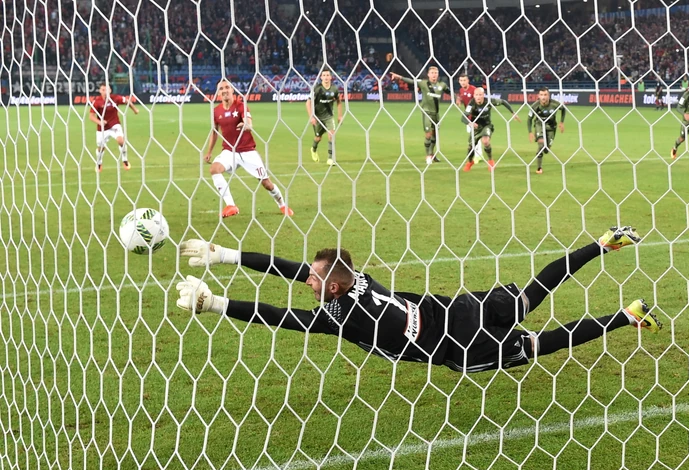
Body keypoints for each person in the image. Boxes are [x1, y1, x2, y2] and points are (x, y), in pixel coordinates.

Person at [175, 226, 662, 373]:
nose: (309, 281)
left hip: (460, 346)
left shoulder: (343, 317)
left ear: (334, 287)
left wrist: (216, 304)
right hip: (458, 308)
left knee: (540, 344)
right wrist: (225, 256)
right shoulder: (353, 277)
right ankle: (602, 245)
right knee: (534, 292)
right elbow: (291, 270)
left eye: (316, 281)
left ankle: (626, 315)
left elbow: (282, 317)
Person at [204, 79, 293, 218]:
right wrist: (209, 151)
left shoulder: (241, 106)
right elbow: (214, 132)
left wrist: (247, 125)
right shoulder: (216, 111)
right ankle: (231, 205)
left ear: (232, 90)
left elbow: (248, 121)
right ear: (218, 93)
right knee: (214, 169)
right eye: (221, 89)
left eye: (227, 87)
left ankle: (282, 205)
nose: (224, 90)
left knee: (266, 183)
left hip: (248, 151)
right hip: (229, 151)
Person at [391, 66, 451, 165]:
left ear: (438, 74)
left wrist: (457, 98)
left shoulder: (442, 85)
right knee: (428, 134)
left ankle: (432, 153)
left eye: (435, 73)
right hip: (426, 112)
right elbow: (411, 81)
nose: (434, 75)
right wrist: (399, 77)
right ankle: (428, 156)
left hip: (436, 114)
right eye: (432, 73)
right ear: (428, 74)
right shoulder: (423, 83)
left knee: (434, 135)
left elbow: (449, 92)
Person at [461, 87, 520, 172]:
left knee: (485, 141)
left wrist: (513, 112)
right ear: (474, 95)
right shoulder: (471, 104)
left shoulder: (488, 101)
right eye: (476, 95)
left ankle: (490, 161)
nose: (478, 97)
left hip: (486, 125)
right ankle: (470, 162)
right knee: (471, 147)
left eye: (480, 95)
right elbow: (463, 117)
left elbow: (503, 102)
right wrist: (470, 123)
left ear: (483, 95)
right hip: (476, 128)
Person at [89, 83, 139, 172]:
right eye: (103, 90)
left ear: (110, 90)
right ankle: (99, 162)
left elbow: (127, 101)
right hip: (102, 128)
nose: (105, 92)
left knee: (121, 141)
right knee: (101, 147)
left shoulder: (115, 98)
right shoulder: (97, 102)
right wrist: (100, 122)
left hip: (114, 124)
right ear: (100, 91)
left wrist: (135, 110)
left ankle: (125, 159)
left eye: (107, 90)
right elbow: (91, 116)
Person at [307, 67, 343, 166]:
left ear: (331, 77)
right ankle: (313, 149)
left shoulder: (334, 89)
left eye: (327, 75)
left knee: (331, 135)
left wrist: (340, 116)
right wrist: (311, 117)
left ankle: (330, 158)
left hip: (329, 117)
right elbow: (308, 103)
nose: (326, 77)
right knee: (318, 138)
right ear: (321, 77)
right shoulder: (317, 89)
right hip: (318, 117)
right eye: (324, 75)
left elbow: (339, 102)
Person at [528, 87, 566, 175]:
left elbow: (563, 109)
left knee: (546, 149)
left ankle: (546, 148)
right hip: (539, 125)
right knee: (541, 144)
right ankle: (539, 168)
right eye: (541, 95)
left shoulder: (555, 104)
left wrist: (562, 122)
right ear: (538, 96)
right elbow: (529, 119)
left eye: (545, 95)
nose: (543, 97)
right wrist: (530, 131)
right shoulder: (535, 106)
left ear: (548, 96)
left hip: (551, 127)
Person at [455, 73, 482, 164]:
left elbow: (480, 100)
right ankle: (478, 154)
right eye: (461, 80)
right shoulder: (461, 90)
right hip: (468, 117)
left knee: (475, 136)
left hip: (476, 116)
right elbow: (462, 98)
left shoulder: (473, 89)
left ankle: (478, 155)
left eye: (464, 80)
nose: (463, 82)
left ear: (468, 81)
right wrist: (459, 100)